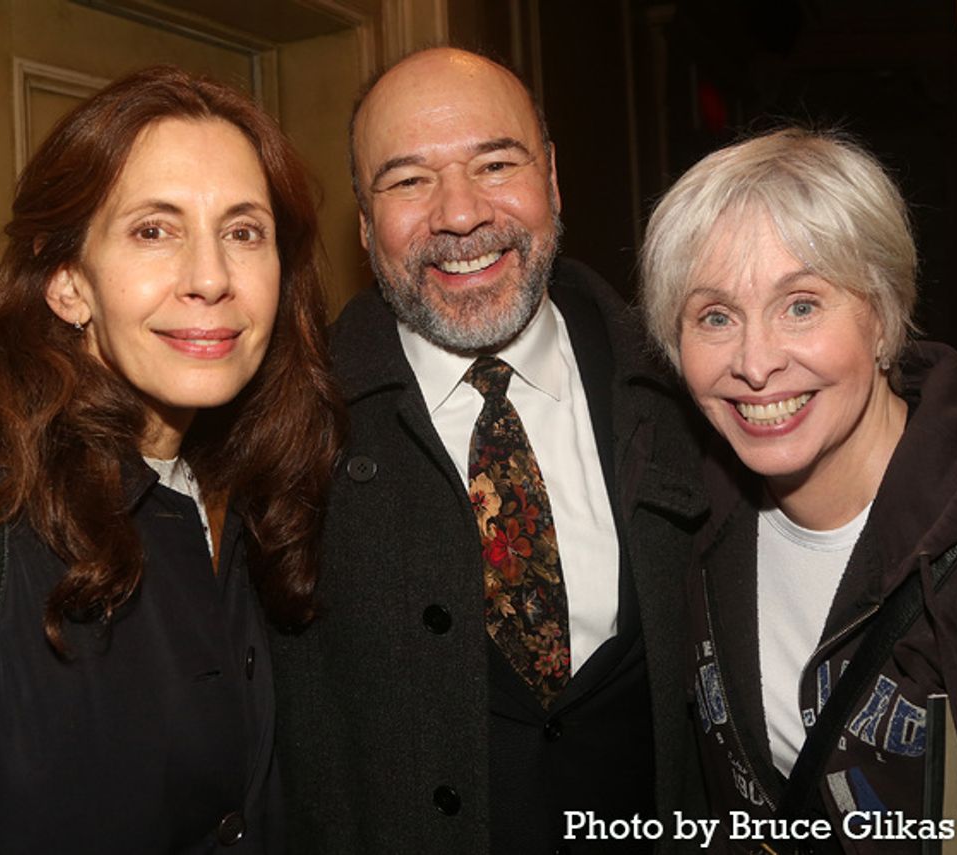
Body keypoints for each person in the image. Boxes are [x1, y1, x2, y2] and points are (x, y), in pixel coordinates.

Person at [0, 65, 342, 854]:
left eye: (244, 231)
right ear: (67, 280)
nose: (212, 278)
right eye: (154, 229)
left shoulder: (261, 505)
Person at [270, 47, 706, 854]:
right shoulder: (283, 434)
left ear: (551, 179)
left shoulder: (690, 391)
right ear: (364, 225)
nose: (461, 214)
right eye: (407, 180)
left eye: (495, 163)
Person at [640, 127, 957, 852]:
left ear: (885, 316)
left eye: (801, 303)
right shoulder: (690, 517)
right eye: (715, 316)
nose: (756, 362)